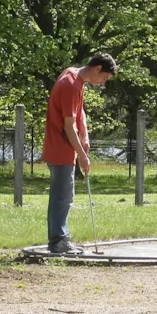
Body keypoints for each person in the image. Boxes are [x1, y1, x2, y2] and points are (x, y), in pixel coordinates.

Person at [42, 53, 117, 254]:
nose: (102, 83)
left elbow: (79, 112)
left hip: (67, 146)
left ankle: (61, 238)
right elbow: (68, 126)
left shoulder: (76, 78)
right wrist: (82, 155)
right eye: (104, 78)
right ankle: (58, 241)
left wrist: (85, 136)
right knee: (62, 196)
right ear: (98, 69)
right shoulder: (70, 85)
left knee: (65, 193)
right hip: (60, 147)